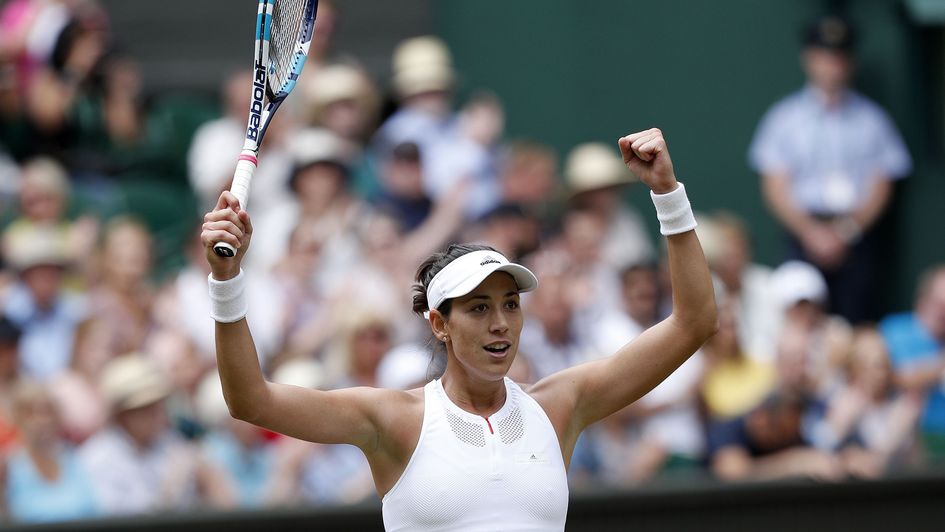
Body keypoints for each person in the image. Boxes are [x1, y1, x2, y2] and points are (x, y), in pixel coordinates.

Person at [202, 128, 717, 530]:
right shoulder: (393, 419)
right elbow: (250, 400)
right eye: (477, 308)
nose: (500, 324)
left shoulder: (560, 405)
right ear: (438, 323)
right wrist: (227, 280)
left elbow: (694, 323)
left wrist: (668, 194)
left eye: (511, 305)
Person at [748, 14, 912, 324]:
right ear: (808, 58)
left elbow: (881, 185)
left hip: (855, 240)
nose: (832, 64)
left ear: (851, 61)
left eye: (839, 56)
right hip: (802, 237)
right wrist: (811, 233)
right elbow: (774, 186)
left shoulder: (873, 120)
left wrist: (845, 232)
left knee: (855, 322)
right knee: (798, 325)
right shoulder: (784, 118)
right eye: (824, 55)